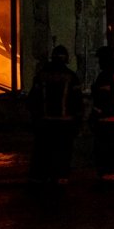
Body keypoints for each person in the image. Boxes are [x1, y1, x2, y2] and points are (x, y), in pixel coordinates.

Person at [27, 45, 84, 186]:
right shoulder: (71, 77)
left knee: (43, 152)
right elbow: (78, 102)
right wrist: (78, 121)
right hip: (65, 124)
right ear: (66, 59)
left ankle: (41, 178)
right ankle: (61, 177)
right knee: (63, 152)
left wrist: (35, 118)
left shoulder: (42, 75)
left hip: (45, 123)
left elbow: (33, 99)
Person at [89, 46, 114, 186]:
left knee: (105, 149)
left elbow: (102, 99)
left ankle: (107, 176)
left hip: (106, 119)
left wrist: (94, 115)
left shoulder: (104, 76)